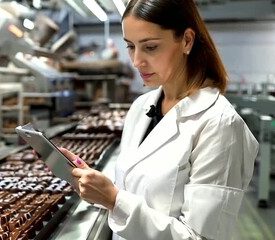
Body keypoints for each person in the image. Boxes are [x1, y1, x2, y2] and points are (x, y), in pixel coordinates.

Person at [59, 0, 259, 239]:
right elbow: (131, 189)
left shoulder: (219, 124)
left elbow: (201, 236)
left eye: (150, 47)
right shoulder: (141, 107)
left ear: (187, 40)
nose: (136, 61)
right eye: (130, 47)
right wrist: (91, 181)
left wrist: (114, 200)